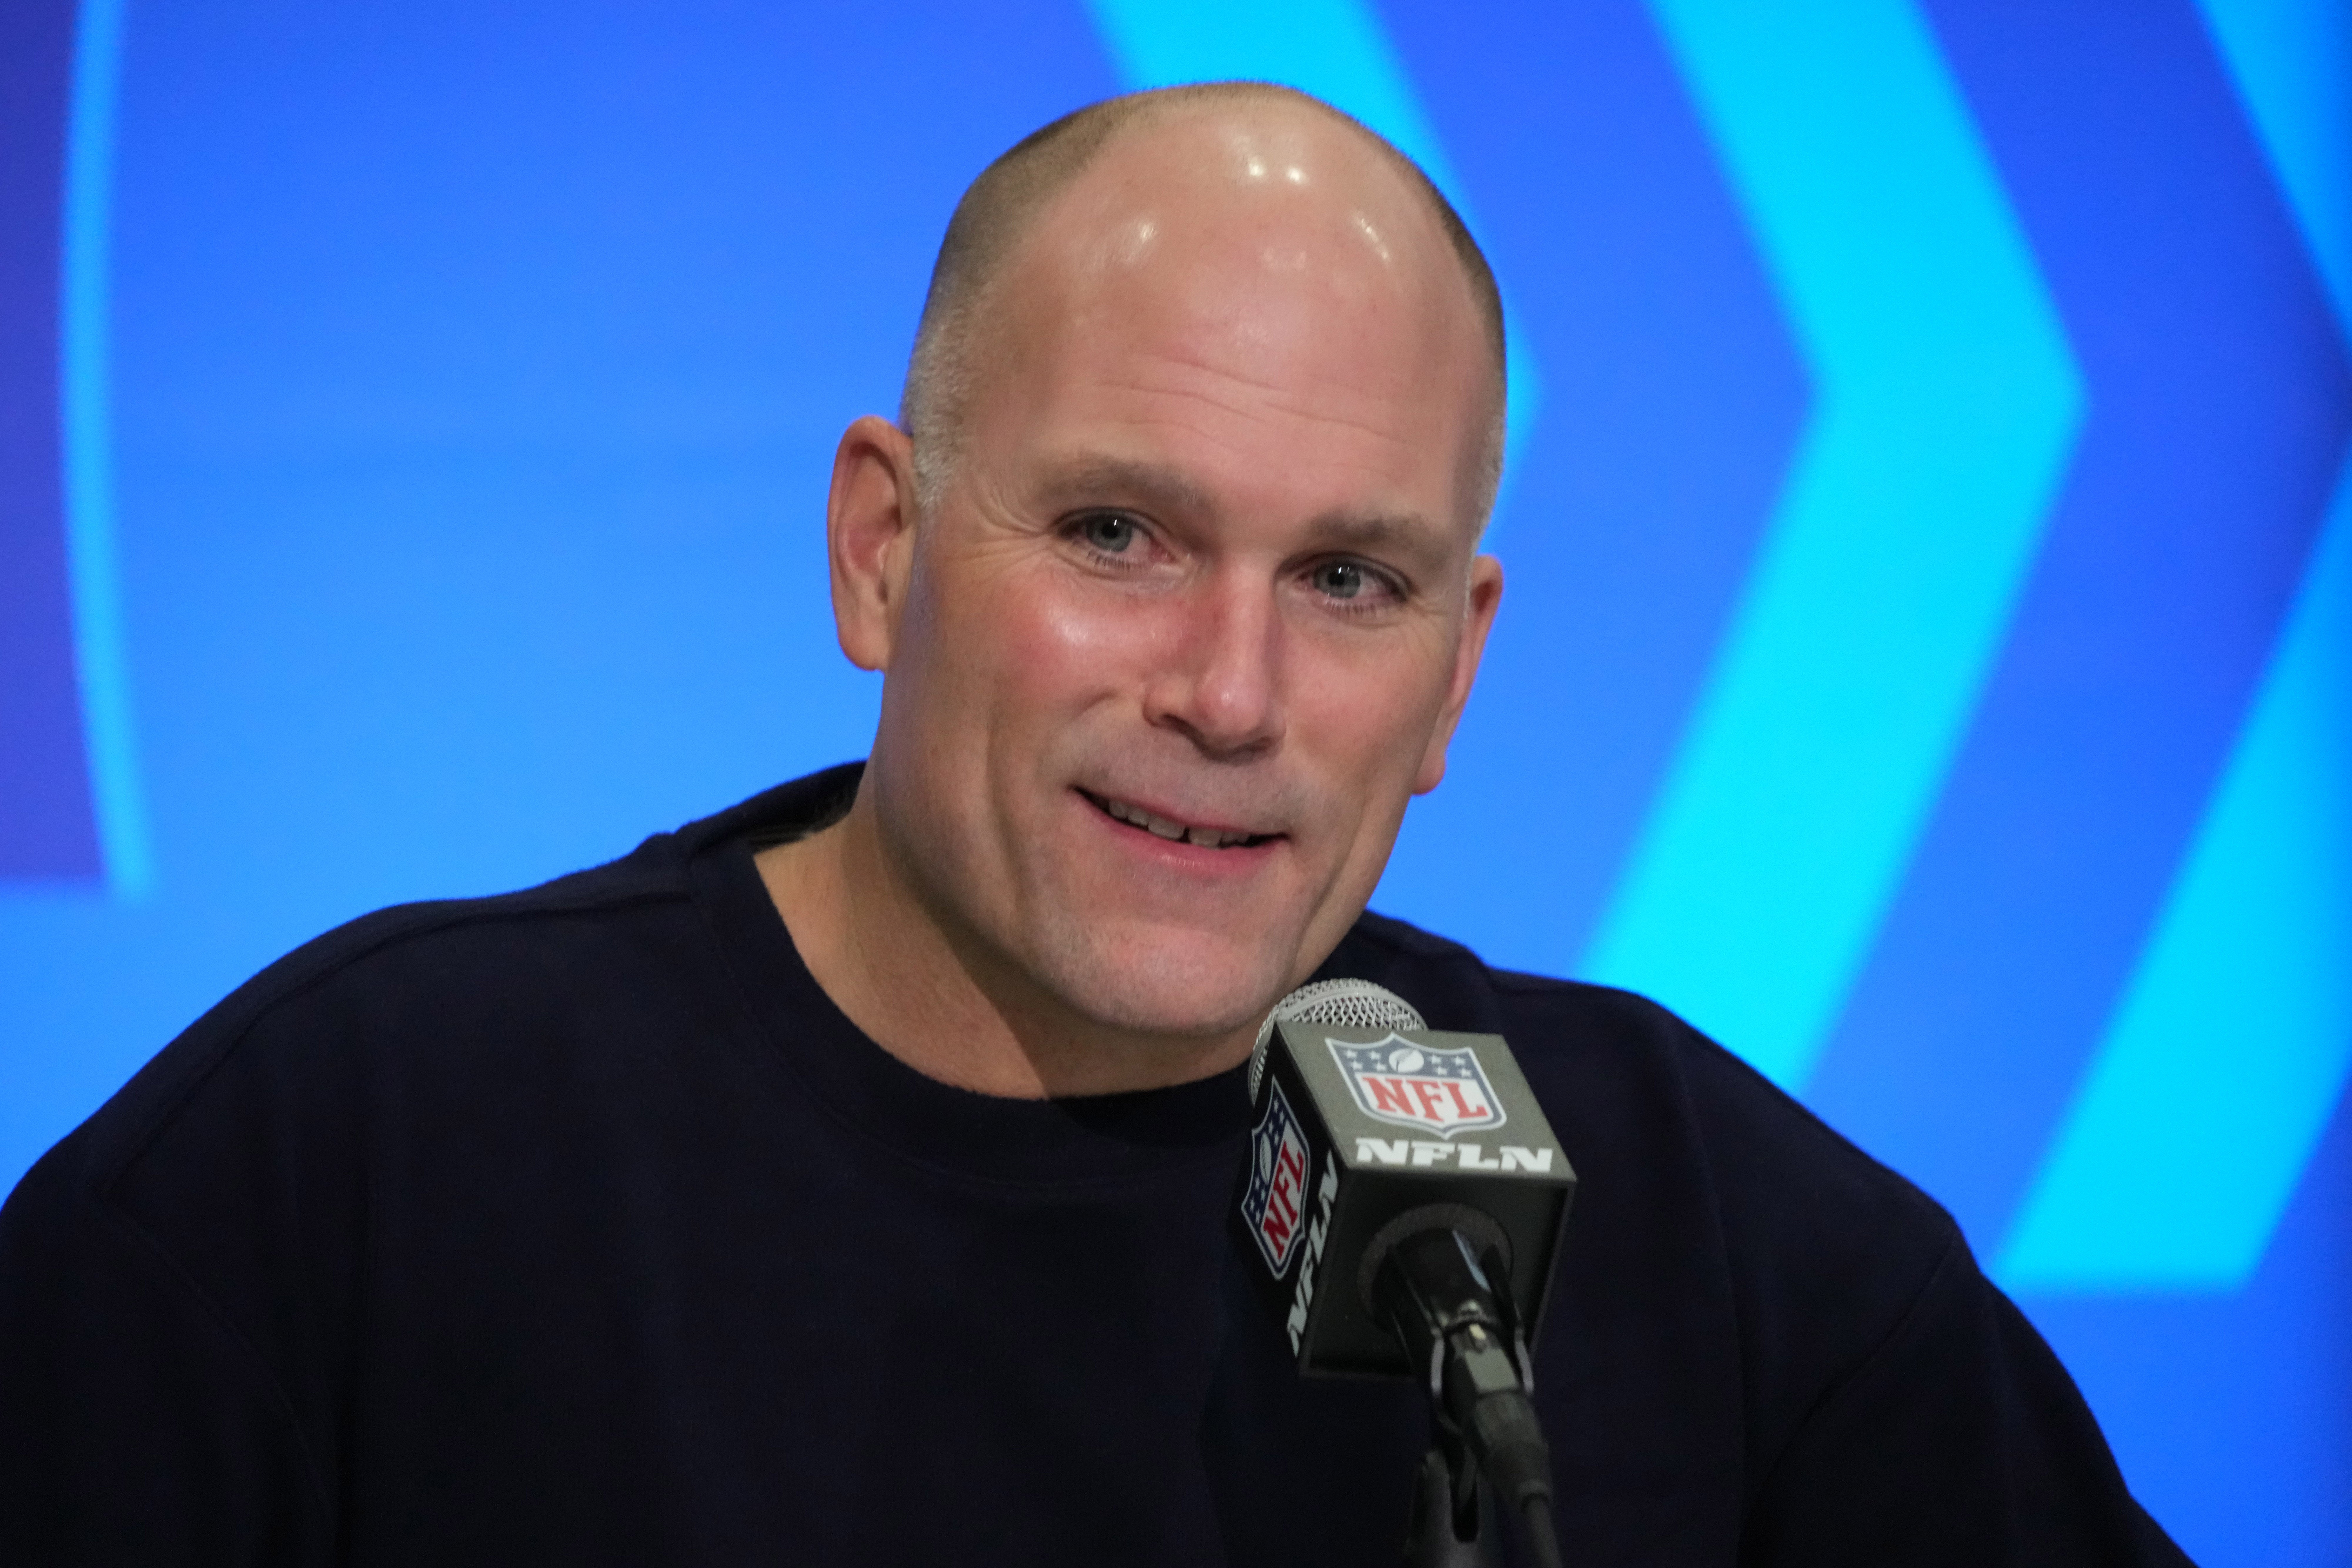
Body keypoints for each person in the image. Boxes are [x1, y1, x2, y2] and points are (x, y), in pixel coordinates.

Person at [0, 83, 2189, 1566]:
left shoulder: (1711, 1246)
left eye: (1348, 580)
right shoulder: (357, 1158)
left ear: (1457, 667)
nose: (1228, 696)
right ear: (883, 547)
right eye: (1121, 532)